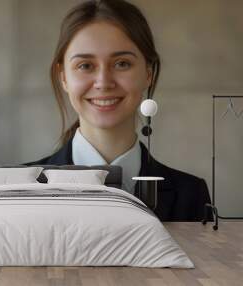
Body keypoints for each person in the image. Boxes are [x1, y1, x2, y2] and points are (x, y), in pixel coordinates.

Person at [25, 0, 212, 222]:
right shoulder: (19, 189)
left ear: (148, 73)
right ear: (64, 76)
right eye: (85, 65)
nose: (103, 82)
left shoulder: (191, 196)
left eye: (122, 63)